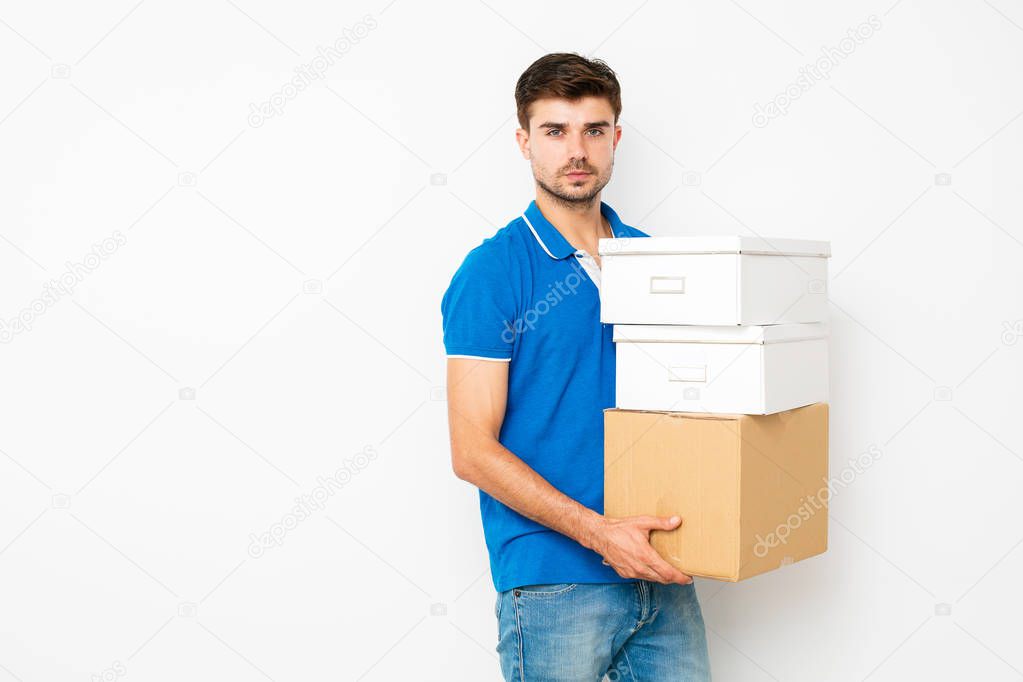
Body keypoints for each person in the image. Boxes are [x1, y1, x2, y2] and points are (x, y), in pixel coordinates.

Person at [440, 52, 711, 681]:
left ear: (616, 138)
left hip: (662, 566)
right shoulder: (493, 271)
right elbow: (470, 451)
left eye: (593, 130)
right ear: (524, 143)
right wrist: (599, 534)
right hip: (554, 581)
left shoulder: (653, 261)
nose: (576, 150)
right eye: (554, 131)